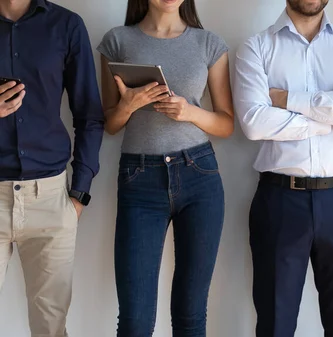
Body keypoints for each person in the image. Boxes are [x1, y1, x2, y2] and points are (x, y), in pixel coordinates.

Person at [233, 0, 333, 336]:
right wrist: (330, 112)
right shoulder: (256, 47)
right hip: (280, 200)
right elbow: (255, 123)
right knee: (274, 326)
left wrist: (284, 99)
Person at [97, 0, 233, 335]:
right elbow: (110, 124)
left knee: (190, 314)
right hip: (139, 178)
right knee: (135, 319)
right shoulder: (117, 41)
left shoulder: (208, 43)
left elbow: (226, 124)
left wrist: (189, 113)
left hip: (199, 175)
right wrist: (128, 106)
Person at [0, 0, 104, 335]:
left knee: (50, 327)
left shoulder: (67, 25)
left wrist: (79, 194)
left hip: (51, 200)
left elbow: (88, 115)